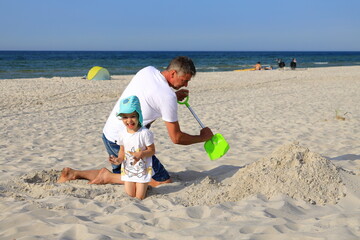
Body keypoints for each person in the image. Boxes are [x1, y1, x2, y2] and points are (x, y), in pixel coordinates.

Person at [58, 56, 214, 187]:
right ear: (173, 73)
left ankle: (74, 174)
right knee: (163, 182)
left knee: (125, 175)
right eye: (184, 80)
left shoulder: (148, 70)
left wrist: (174, 96)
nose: (185, 85)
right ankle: (107, 177)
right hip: (125, 142)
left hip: (109, 134)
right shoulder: (167, 96)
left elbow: (150, 96)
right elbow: (176, 138)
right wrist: (203, 138)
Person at [112, 95, 154, 199]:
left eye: (133, 116)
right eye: (125, 117)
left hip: (142, 170)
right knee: (129, 196)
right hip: (128, 170)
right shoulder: (122, 133)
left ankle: (144, 187)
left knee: (139, 197)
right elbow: (122, 150)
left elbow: (152, 150)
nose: (129, 120)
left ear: (139, 116)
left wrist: (142, 153)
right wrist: (119, 159)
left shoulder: (145, 133)